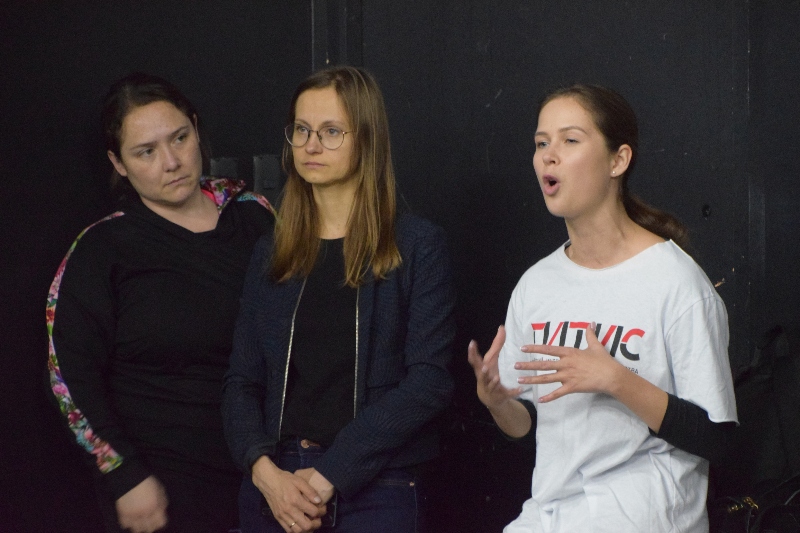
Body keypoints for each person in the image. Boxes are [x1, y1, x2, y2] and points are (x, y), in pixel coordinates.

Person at [468, 84, 738, 532]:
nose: (549, 156)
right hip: (551, 514)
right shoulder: (537, 285)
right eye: (541, 143)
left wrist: (615, 379)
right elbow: (527, 423)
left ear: (618, 160)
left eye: (570, 140)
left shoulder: (674, 281)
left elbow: (717, 437)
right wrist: (497, 402)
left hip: (644, 517)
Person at [222, 66, 456, 533]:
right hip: (277, 485)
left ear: (366, 139)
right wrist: (264, 474)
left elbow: (429, 381)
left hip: (377, 485)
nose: (311, 145)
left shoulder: (416, 245)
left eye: (331, 132)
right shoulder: (272, 251)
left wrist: (333, 472)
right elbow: (241, 382)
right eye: (302, 130)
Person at [47, 72, 274, 533]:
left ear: (196, 129)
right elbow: (68, 375)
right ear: (118, 163)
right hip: (162, 490)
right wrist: (123, 473)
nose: (171, 162)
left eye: (180, 138)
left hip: (267, 478)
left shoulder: (254, 216)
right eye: (146, 152)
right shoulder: (102, 249)